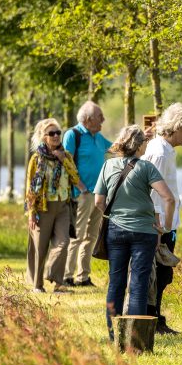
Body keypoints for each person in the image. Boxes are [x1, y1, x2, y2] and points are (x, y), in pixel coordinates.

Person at [95, 125, 175, 341]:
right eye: (144, 143)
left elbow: (98, 202)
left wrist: (114, 216)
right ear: (139, 145)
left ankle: (114, 335)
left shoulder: (108, 166)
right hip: (145, 232)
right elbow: (168, 198)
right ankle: (136, 339)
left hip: (116, 231)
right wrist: (165, 227)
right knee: (139, 281)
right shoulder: (146, 168)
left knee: (116, 281)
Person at [142, 102, 182, 334]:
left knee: (163, 274)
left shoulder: (164, 149)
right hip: (159, 224)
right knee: (159, 274)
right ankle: (152, 320)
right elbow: (150, 190)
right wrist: (159, 227)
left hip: (166, 222)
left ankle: (155, 318)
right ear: (177, 125)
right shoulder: (160, 153)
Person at [25, 118, 87, 293]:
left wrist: (63, 160)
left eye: (58, 132)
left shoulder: (66, 156)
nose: (55, 136)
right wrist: (31, 212)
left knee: (63, 242)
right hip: (43, 208)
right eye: (51, 133)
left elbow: (75, 178)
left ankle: (57, 281)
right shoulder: (36, 159)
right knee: (40, 246)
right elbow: (31, 187)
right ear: (44, 137)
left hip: (63, 207)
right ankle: (37, 285)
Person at [63, 101, 113, 287]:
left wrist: (142, 136)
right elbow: (65, 163)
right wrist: (81, 186)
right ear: (89, 119)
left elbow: (116, 148)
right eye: (100, 116)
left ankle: (82, 277)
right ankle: (66, 276)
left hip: (99, 195)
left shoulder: (98, 137)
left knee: (91, 236)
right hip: (81, 195)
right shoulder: (73, 135)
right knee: (76, 236)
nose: (104, 120)